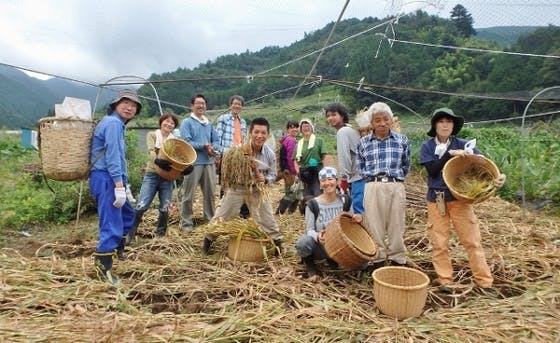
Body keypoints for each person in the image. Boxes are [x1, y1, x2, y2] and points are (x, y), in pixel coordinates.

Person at [419, 107, 506, 295]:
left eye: (448, 122)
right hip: (437, 199)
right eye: (441, 121)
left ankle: (484, 282)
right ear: (435, 125)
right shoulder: (428, 147)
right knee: (439, 242)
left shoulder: (464, 144)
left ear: (453, 126)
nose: (445, 125)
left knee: (472, 241)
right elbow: (433, 170)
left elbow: (483, 166)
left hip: (460, 200)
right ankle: (445, 281)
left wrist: (498, 178)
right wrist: (448, 155)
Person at [203, 117, 283, 255]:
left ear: (268, 135)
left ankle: (278, 246)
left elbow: (273, 174)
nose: (260, 136)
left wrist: (266, 179)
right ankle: (207, 243)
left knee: (268, 218)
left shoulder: (269, 154)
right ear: (250, 132)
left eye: (263, 133)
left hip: (258, 190)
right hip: (237, 189)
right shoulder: (238, 150)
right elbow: (227, 170)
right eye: (256, 132)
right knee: (221, 217)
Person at [89, 90, 142, 285]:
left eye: (133, 105)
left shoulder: (116, 124)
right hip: (106, 178)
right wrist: (119, 185)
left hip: (113, 178)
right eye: (125, 103)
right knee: (111, 222)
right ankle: (103, 269)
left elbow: (119, 158)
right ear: (115, 105)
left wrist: (124, 185)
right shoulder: (112, 123)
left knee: (128, 214)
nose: (129, 107)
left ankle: (118, 249)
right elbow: (112, 156)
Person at [357, 102, 410, 269]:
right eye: (377, 120)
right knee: (374, 223)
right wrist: (372, 179)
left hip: (395, 185)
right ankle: (378, 258)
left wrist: (397, 180)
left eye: (385, 119)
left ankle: (398, 258)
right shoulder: (364, 142)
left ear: (390, 121)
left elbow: (406, 165)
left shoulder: (402, 140)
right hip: (373, 185)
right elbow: (361, 166)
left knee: (396, 223)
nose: (382, 123)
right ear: (371, 124)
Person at [128, 113, 193, 241]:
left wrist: (185, 168)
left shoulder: (174, 141)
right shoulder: (152, 135)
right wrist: (157, 160)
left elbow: (179, 159)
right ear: (161, 122)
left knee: (165, 206)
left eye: (172, 123)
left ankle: (160, 236)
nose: (169, 124)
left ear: (174, 127)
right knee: (142, 204)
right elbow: (150, 151)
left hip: (167, 178)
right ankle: (130, 233)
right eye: (166, 121)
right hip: (152, 174)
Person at [295, 167, 360, 281]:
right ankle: (311, 268)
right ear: (320, 184)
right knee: (302, 242)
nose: (327, 183)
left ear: (337, 181)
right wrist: (317, 236)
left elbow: (350, 224)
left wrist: (357, 219)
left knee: (362, 264)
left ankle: (333, 260)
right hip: (322, 246)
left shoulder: (346, 201)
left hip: (341, 247)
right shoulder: (312, 204)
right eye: (323, 180)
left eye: (330, 179)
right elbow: (309, 230)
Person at [179, 94, 219, 232]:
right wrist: (204, 146)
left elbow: (216, 140)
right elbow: (186, 142)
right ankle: (186, 224)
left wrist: (213, 147)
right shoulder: (187, 122)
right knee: (188, 194)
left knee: (210, 194)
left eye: (203, 103)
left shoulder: (208, 123)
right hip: (193, 163)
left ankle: (210, 220)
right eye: (198, 103)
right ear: (192, 106)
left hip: (209, 163)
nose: (201, 106)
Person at [325, 102, 365, 214]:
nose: (330, 118)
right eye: (328, 116)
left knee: (359, 212)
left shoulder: (342, 132)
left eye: (333, 115)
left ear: (342, 116)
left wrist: (343, 178)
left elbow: (345, 157)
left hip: (358, 177)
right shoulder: (350, 129)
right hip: (362, 175)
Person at [215, 95, 249, 218]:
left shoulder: (243, 122)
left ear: (242, 107)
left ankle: (243, 213)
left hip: (240, 156)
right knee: (225, 184)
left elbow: (244, 139)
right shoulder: (223, 118)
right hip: (227, 155)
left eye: (239, 104)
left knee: (242, 182)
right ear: (230, 105)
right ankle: (222, 213)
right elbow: (218, 138)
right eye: (235, 103)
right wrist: (219, 156)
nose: (236, 106)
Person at [293, 118, 328, 214]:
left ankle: (320, 214)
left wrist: (325, 171)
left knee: (318, 194)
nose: (306, 128)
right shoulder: (298, 144)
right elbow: (296, 161)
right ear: (301, 130)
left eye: (308, 126)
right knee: (307, 196)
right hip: (305, 173)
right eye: (303, 127)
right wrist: (298, 173)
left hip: (317, 171)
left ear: (311, 128)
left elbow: (324, 156)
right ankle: (310, 216)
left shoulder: (319, 140)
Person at [276, 120, 302, 214]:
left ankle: (290, 212)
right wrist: (295, 173)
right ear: (287, 129)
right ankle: (280, 212)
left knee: (296, 192)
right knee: (292, 193)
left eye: (296, 127)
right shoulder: (291, 140)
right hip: (290, 171)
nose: (294, 129)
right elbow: (291, 158)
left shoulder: (287, 139)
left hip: (287, 170)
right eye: (291, 127)